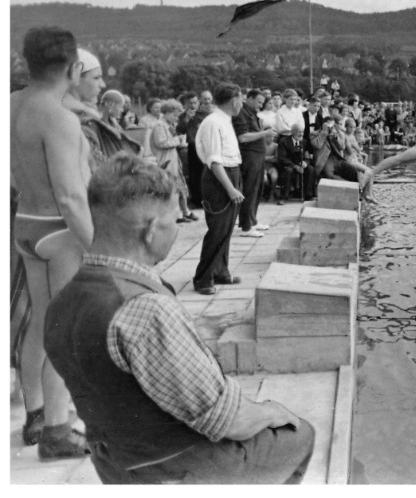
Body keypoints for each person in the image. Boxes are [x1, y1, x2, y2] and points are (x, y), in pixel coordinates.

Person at [44, 153, 316, 483]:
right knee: (297, 434)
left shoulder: (63, 301)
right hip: (176, 468)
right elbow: (228, 420)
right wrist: (273, 410)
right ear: (150, 229)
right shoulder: (145, 309)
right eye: (174, 221)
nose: (177, 229)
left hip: (115, 464)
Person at [10, 26, 93, 459]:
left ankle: (41, 415)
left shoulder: (12, 104)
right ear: (72, 67)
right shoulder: (58, 116)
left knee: (44, 325)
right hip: (58, 230)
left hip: (24, 223)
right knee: (65, 332)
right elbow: (70, 195)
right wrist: (97, 246)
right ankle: (58, 430)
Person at [193, 83, 245, 295]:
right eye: (240, 99)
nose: (241, 104)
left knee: (227, 229)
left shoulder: (225, 120)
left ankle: (220, 272)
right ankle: (203, 279)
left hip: (232, 173)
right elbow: (214, 162)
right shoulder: (213, 122)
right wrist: (231, 189)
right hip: (220, 179)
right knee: (218, 231)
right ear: (234, 100)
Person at [232, 89, 276, 238]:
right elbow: (243, 137)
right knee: (249, 190)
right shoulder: (241, 113)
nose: (260, 105)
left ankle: (252, 220)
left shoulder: (252, 113)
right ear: (248, 98)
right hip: (249, 157)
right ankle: (246, 226)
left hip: (258, 156)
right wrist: (265, 133)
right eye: (258, 102)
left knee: (257, 190)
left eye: (262, 103)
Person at [147, 99, 196, 223]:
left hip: (172, 160)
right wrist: (177, 140)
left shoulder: (168, 125)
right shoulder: (159, 125)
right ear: (167, 112)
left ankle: (183, 212)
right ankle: (177, 215)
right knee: (171, 188)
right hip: (165, 161)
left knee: (179, 186)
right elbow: (161, 142)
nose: (176, 118)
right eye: (175, 115)